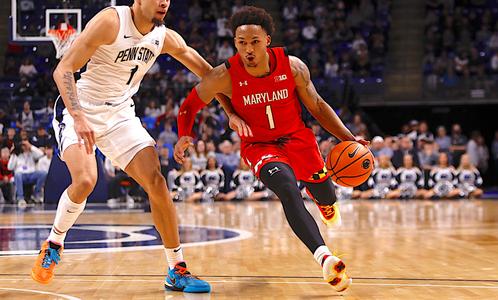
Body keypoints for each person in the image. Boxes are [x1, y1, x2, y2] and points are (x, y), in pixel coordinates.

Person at [30, 0, 229, 293]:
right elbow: (63, 70)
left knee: (157, 182)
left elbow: (212, 76)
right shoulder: (111, 21)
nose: (164, 2)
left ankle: (176, 269)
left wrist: (232, 112)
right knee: (85, 180)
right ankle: (54, 243)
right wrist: (78, 116)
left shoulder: (164, 37)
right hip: (81, 109)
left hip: (120, 114)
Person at [173, 6, 368, 292]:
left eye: (254, 42)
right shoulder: (224, 75)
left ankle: (326, 202)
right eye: (241, 43)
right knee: (287, 188)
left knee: (325, 192)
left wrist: (348, 138)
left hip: (298, 139)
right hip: (259, 145)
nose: (248, 49)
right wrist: (184, 135)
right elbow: (190, 105)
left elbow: (318, 107)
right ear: (234, 43)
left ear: (267, 39)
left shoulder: (293, 67)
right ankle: (325, 258)